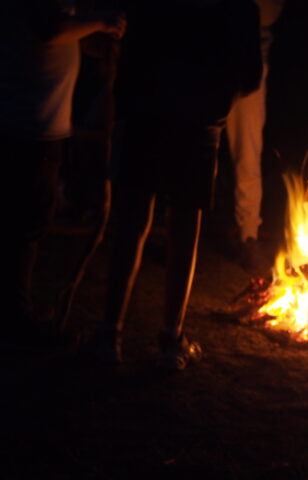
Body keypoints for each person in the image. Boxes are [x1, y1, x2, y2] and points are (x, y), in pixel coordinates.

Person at [93, 0, 262, 370]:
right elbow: (251, 74)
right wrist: (216, 102)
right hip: (194, 121)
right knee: (183, 226)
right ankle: (170, 340)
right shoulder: (239, 7)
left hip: (147, 112)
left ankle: (111, 334)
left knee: (133, 222)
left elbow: (130, 37)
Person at [2, 1, 125, 340]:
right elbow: (50, 30)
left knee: (28, 223)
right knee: (23, 226)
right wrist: (101, 20)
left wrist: (96, 35)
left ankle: (15, 312)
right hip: (27, 124)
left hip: (40, 123)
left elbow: (64, 33)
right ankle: (15, 318)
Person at [225, 0, 284, 271]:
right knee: (190, 145)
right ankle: (175, 224)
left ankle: (248, 235)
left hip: (249, 61)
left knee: (247, 154)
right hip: (204, 53)